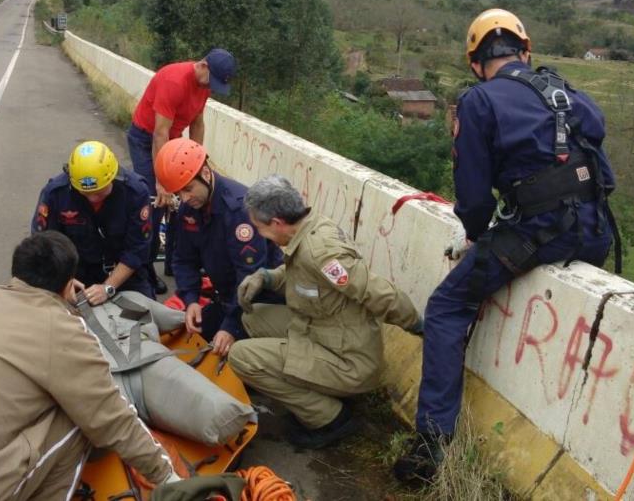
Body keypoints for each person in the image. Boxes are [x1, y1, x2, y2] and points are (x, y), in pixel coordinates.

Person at [393, 8, 619, 483]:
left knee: (447, 307)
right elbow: (596, 144)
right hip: (596, 228)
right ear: (525, 50)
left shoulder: (479, 101)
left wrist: (475, 233)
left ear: (475, 62)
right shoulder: (566, 93)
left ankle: (431, 445)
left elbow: (474, 197)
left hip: (538, 230)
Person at [0, 231, 179, 500]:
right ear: (69, 284)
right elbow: (109, 415)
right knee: (80, 416)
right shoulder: (59, 328)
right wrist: (165, 475)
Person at [232, 175, 422, 449]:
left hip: (349, 360)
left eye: (259, 227)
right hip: (323, 332)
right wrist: (267, 278)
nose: (260, 234)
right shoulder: (307, 230)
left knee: (241, 357)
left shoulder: (320, 251)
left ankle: (330, 418)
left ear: (276, 223)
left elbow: (376, 291)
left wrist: (418, 325)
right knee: (252, 317)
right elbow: (303, 276)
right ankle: (316, 389)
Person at [153, 138, 283, 357]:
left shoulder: (240, 210)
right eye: (178, 193)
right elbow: (183, 260)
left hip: (259, 300)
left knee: (235, 357)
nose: (184, 198)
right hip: (227, 297)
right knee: (190, 338)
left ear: (205, 173)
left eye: (188, 189)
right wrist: (191, 299)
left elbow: (249, 277)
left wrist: (231, 326)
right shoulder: (189, 209)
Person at [127, 48, 238, 294]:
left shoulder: (204, 86)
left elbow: (198, 122)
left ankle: (174, 264)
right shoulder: (174, 80)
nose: (212, 88)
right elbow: (159, 134)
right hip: (146, 140)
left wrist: (197, 163)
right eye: (214, 81)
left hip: (172, 140)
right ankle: (145, 271)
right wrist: (163, 182)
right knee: (156, 203)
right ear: (203, 66)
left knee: (183, 202)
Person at [32, 140, 154, 305]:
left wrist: (108, 287)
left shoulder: (135, 192)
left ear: (112, 176)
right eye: (85, 193)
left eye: (99, 192)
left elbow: (137, 249)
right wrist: (63, 282)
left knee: (147, 314)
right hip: (75, 274)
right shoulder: (56, 194)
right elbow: (43, 245)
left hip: (124, 272)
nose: (92, 198)